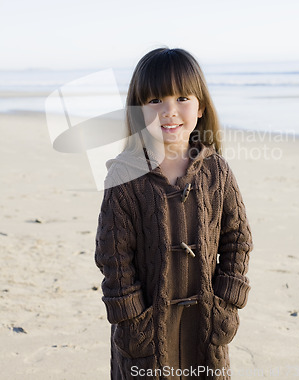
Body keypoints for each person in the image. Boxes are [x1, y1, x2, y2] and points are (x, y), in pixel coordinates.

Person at [95, 48, 253, 380]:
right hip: (146, 337)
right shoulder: (125, 177)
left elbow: (237, 238)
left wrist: (227, 301)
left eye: (182, 97)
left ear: (201, 106)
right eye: (155, 100)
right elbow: (113, 256)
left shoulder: (216, 171)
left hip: (206, 329)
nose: (169, 111)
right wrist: (132, 319)